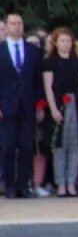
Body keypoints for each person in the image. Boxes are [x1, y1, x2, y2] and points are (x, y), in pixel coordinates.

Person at [1, 12, 45, 198]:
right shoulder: (0, 49)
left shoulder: (33, 51)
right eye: (13, 23)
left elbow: (38, 81)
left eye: (20, 23)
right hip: (6, 106)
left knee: (27, 146)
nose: (17, 26)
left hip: (28, 106)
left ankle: (23, 186)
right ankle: (10, 186)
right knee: (8, 146)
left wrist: (40, 105)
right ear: (6, 26)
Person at [43, 27, 78, 197]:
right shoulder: (50, 62)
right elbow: (48, 87)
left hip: (76, 107)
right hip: (59, 106)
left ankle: (71, 182)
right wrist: (54, 108)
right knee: (60, 146)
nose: (66, 44)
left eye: (69, 41)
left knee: (75, 145)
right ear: (56, 43)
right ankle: (61, 183)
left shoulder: (77, 63)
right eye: (62, 40)